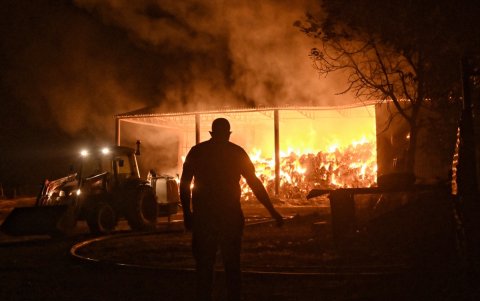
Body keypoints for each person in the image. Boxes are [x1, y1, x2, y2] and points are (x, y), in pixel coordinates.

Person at [180, 117, 283, 301]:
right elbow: (255, 183)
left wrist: (188, 214)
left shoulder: (197, 151)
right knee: (232, 265)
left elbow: (184, 184)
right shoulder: (236, 153)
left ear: (211, 133)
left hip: (204, 218)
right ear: (228, 134)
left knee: (204, 266)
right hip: (230, 217)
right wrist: (272, 210)